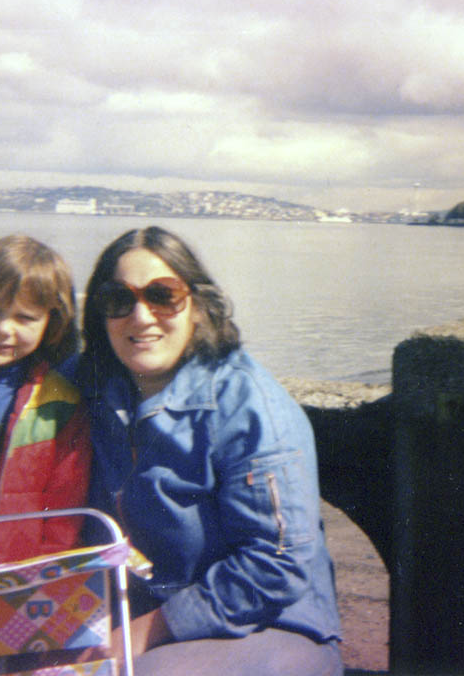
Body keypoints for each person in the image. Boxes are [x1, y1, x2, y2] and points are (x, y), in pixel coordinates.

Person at [80, 226, 343, 676]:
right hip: (138, 611)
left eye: (162, 296)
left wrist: (137, 636)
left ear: (198, 307)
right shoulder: (95, 386)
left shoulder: (248, 405)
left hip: (270, 625)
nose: (141, 317)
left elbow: (275, 565)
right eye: (118, 299)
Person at [0, 234, 91, 565]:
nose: (4, 328)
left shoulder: (62, 402)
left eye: (25, 318)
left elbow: (63, 514)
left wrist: (41, 577)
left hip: (15, 583)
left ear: (52, 322)